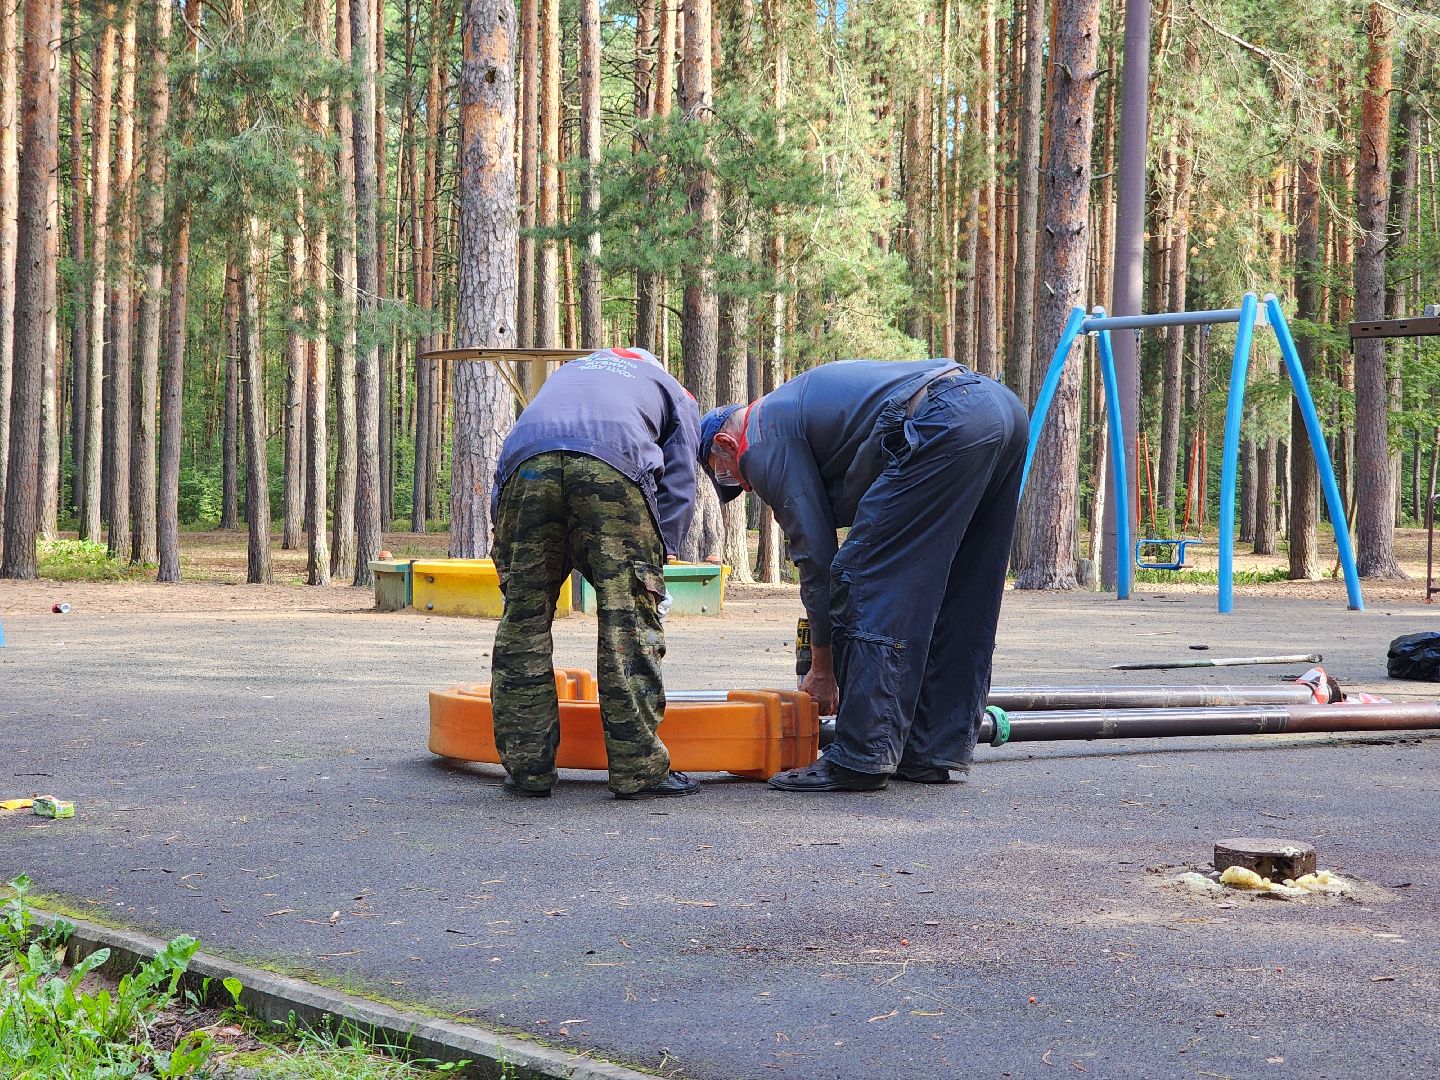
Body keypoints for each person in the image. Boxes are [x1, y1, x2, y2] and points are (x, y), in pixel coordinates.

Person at [698, 359, 1027, 792]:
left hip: (943, 415)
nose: (748, 487)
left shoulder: (759, 437)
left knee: (865, 577)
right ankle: (930, 750)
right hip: (1001, 411)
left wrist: (821, 668)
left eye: (731, 477)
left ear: (725, 442)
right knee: (959, 591)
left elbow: (817, 560)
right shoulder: (794, 415)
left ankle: (860, 757)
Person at [491, 346, 701, 800]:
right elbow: (681, 477)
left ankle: (527, 769)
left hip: (527, 469)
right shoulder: (670, 389)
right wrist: (660, 554)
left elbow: (509, 457)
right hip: (614, 470)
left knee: (522, 621)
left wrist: (506, 544)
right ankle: (638, 769)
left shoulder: (570, 374)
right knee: (627, 623)